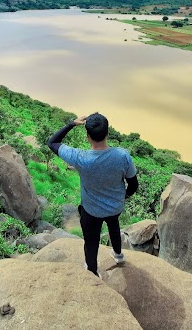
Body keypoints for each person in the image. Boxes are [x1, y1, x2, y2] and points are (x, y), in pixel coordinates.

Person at [48, 112, 138, 277]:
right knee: (114, 226)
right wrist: (120, 197)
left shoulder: (80, 157)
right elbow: (133, 184)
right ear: (108, 133)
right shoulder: (122, 156)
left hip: (91, 211)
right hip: (115, 207)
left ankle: (92, 271)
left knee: (91, 241)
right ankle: (118, 255)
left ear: (88, 136)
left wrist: (71, 124)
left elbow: (52, 142)